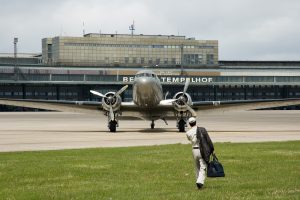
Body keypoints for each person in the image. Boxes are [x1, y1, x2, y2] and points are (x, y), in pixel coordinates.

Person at [186, 117, 214, 189]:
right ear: (196, 122)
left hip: (194, 150)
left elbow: (190, 139)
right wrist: (212, 149)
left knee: (197, 167)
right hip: (202, 150)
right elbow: (208, 140)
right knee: (203, 166)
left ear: (189, 124)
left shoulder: (188, 133)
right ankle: (200, 182)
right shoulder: (202, 129)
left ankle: (198, 183)